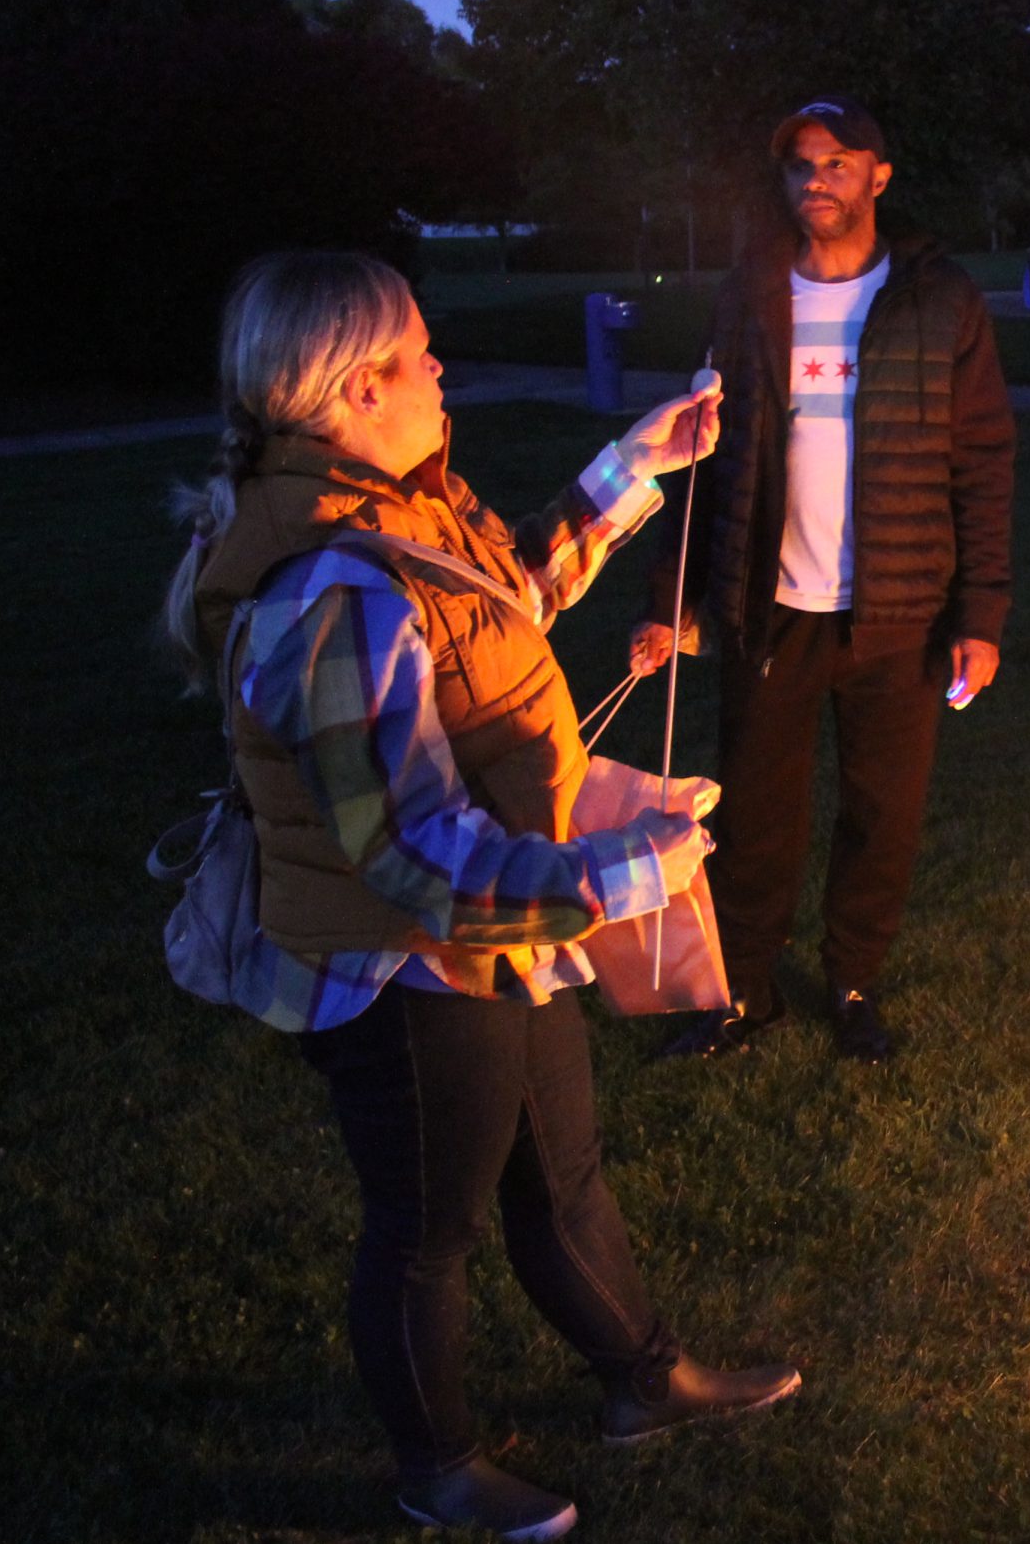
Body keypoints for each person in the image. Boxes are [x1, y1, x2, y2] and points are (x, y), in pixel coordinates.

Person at [162, 252, 799, 1542]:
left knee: (559, 1181)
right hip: (398, 971)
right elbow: (410, 860)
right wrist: (627, 875)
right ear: (351, 392)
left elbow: (505, 600)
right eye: (417, 351)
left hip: (495, 944)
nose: (441, 366)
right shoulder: (325, 593)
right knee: (426, 1228)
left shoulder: (399, 510)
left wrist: (637, 467)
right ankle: (437, 1470)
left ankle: (642, 1379)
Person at [630, 96, 1014, 1065]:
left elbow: (982, 458)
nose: (817, 179)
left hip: (901, 613)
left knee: (880, 813)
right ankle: (742, 991)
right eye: (801, 164)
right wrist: (673, 603)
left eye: (839, 161)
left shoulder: (939, 299)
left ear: (879, 175)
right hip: (772, 613)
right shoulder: (752, 293)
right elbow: (702, 455)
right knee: (754, 817)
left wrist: (981, 614)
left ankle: (851, 983)